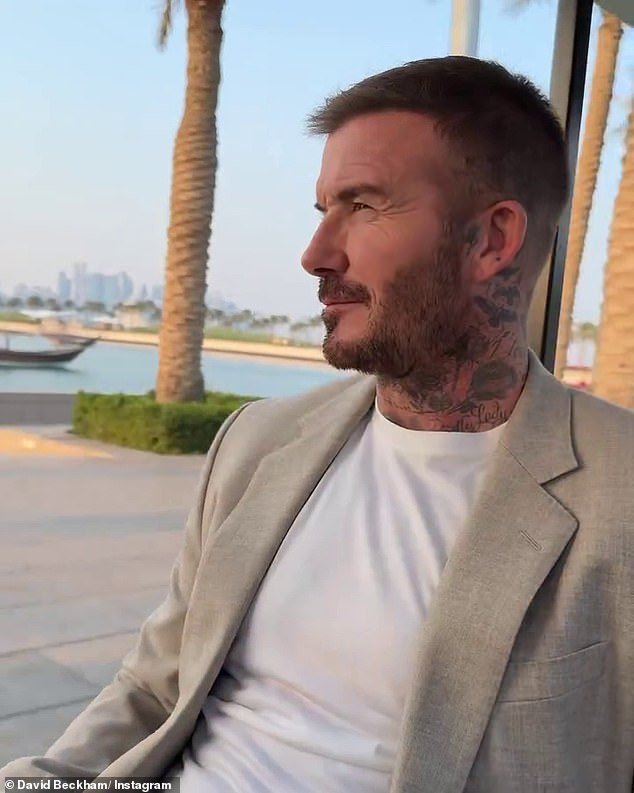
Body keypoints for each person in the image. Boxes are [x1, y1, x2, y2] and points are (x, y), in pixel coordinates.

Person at [2, 56, 632, 793]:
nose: (315, 254)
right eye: (323, 209)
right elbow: (152, 688)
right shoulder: (258, 442)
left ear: (493, 239)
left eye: (363, 206)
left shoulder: (618, 493)